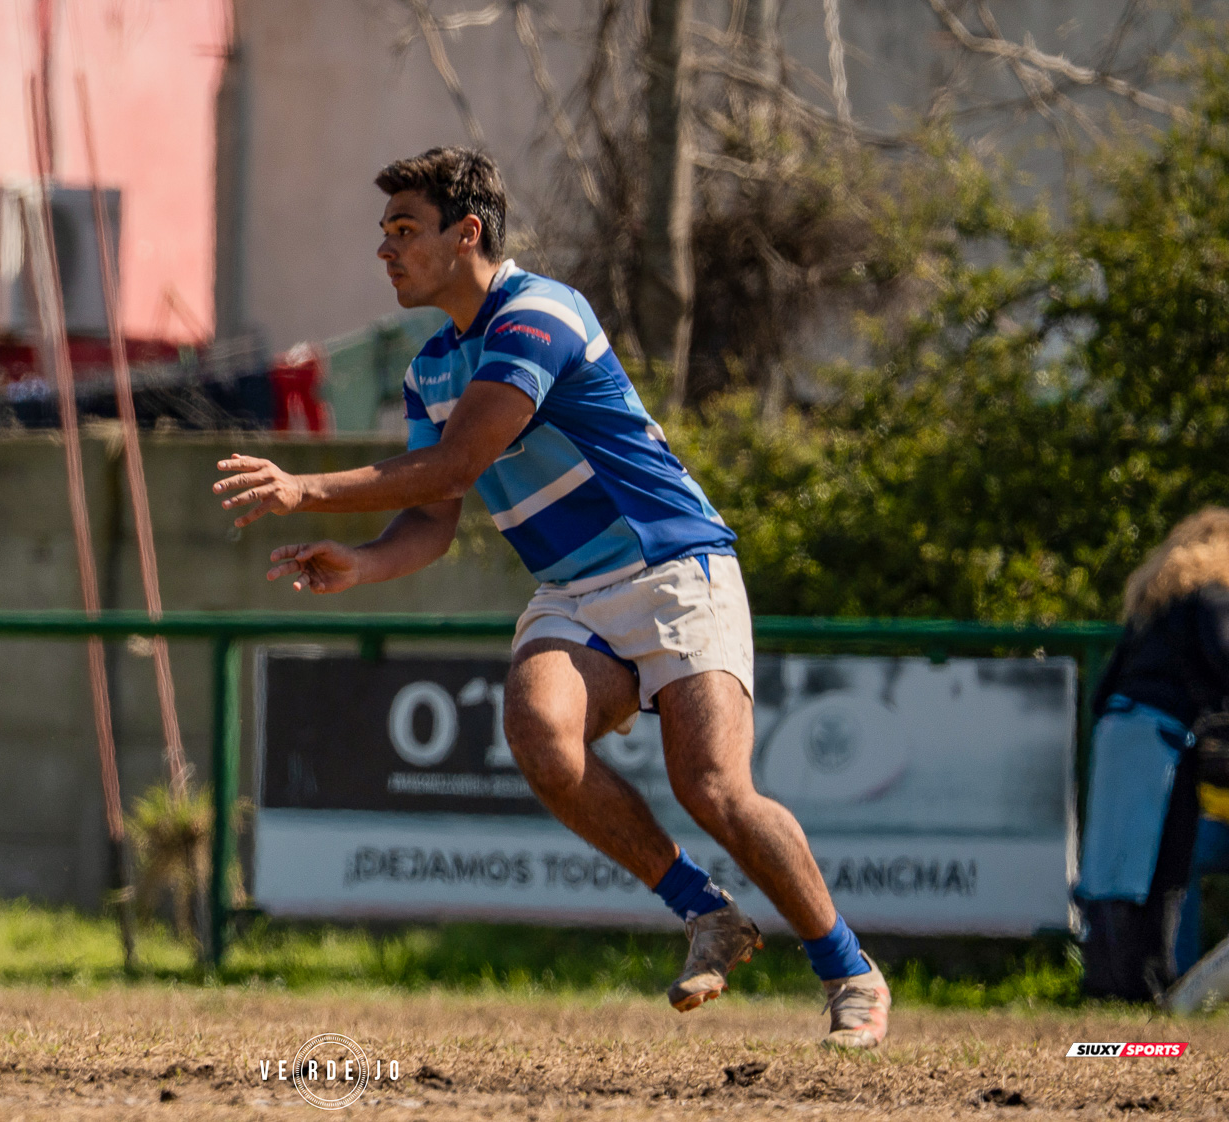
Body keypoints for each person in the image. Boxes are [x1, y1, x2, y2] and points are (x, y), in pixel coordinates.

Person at [212, 147, 889, 1048]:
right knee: (538, 734)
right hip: (574, 590)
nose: (387, 249)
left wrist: (304, 489)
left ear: (469, 234)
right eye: (383, 234)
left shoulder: (540, 313)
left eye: (405, 231)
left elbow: (456, 462)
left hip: (672, 563)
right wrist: (363, 563)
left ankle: (849, 970)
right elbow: (434, 516)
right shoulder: (429, 370)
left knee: (714, 785)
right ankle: (708, 913)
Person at [1078, 507, 1229, 998]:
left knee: (1113, 867)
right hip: (1161, 739)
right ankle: (1144, 980)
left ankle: (1108, 978)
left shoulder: (1155, 600)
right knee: (1162, 867)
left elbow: (1104, 689)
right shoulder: (1211, 595)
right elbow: (1225, 661)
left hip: (1118, 730)